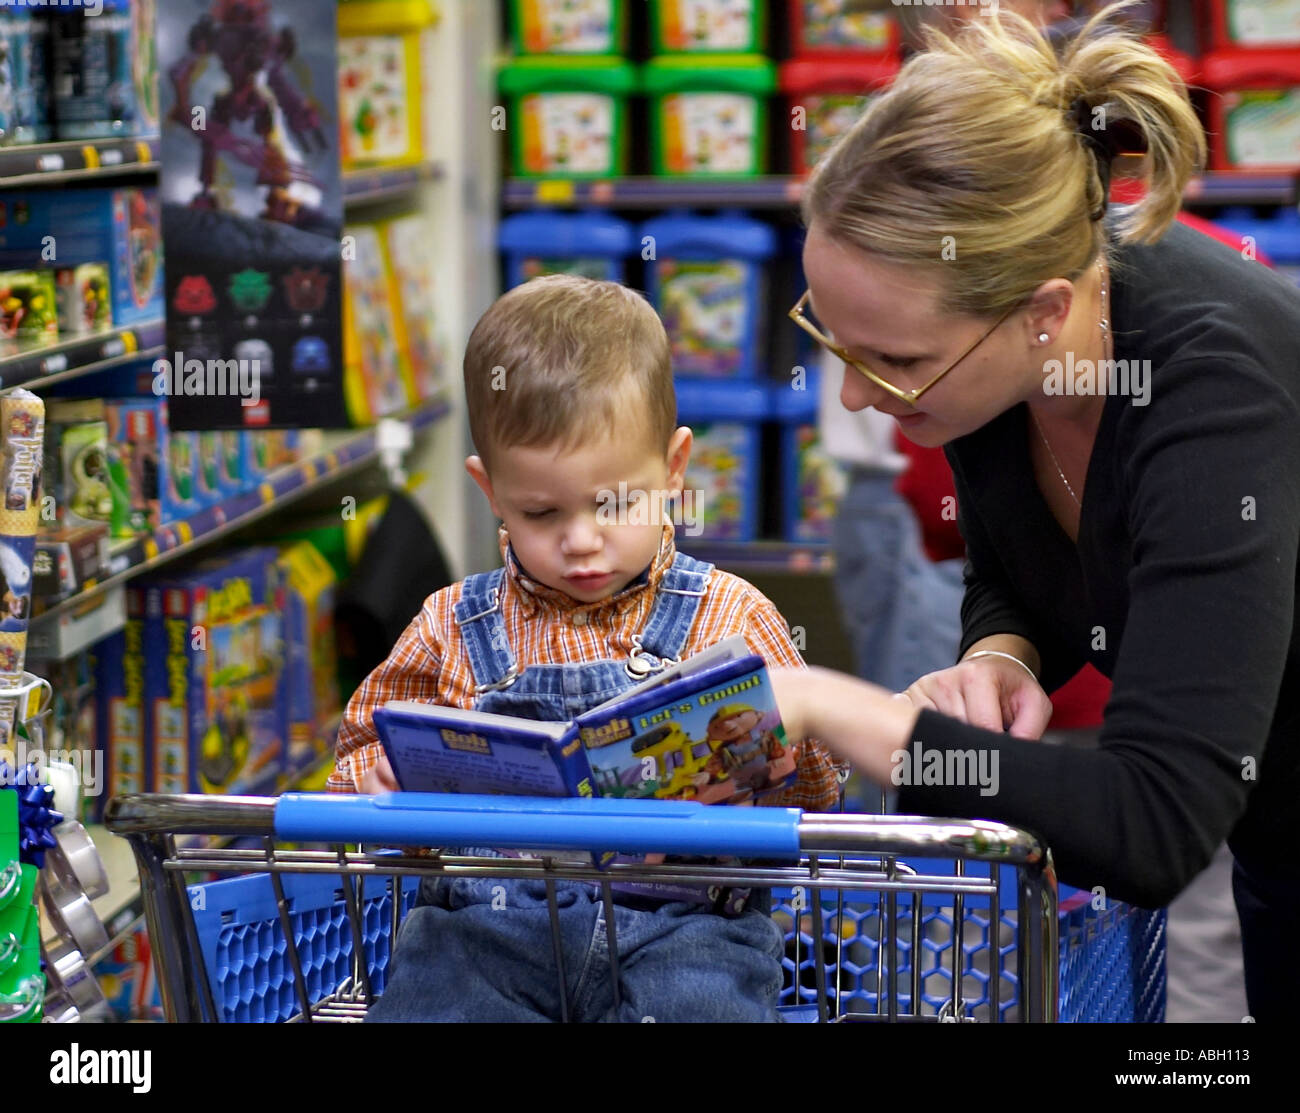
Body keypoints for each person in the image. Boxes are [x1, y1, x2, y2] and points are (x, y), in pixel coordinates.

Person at [771, 5, 1300, 1022]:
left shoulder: (1211, 392)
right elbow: (1013, 566)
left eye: (897, 363)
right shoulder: (999, 357)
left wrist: (848, 711)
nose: (855, 398)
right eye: (834, 341)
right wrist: (1002, 655)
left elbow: (1152, 824)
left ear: (1042, 313)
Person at [329, 274, 841, 1023]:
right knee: (431, 996)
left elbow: (819, 792)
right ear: (491, 489)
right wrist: (378, 786)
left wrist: (765, 769)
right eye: (541, 511)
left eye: (615, 503)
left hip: (689, 925)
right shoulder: (451, 625)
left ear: (673, 469)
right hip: (490, 923)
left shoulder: (732, 617)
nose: (580, 541)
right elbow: (358, 752)